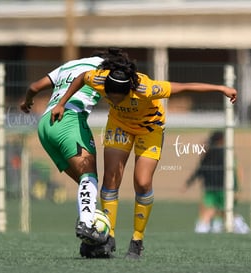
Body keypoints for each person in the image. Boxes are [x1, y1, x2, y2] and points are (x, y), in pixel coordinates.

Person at [50, 48, 237, 259]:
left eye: (117, 97)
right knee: (111, 178)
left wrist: (220, 88)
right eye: (109, 96)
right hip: (119, 126)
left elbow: (183, 87)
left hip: (149, 129)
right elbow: (82, 77)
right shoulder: (102, 79)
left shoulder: (147, 88)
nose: (113, 100)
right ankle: (108, 236)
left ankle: (137, 239)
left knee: (142, 181)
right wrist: (61, 103)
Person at [20, 53, 111, 249]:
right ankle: (87, 226)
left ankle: (90, 241)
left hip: (45, 125)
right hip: (68, 119)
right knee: (89, 176)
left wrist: (27, 102)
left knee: (85, 184)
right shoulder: (104, 68)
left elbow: (34, 87)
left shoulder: (67, 66)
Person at [184, 131, 250, 234]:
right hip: (219, 187)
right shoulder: (222, 153)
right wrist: (237, 187)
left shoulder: (218, 152)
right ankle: (206, 226)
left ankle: (208, 226)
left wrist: (189, 183)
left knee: (220, 209)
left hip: (216, 187)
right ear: (221, 140)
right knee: (217, 209)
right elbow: (201, 169)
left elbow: (200, 170)